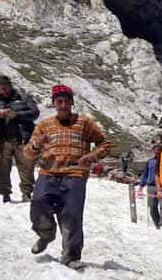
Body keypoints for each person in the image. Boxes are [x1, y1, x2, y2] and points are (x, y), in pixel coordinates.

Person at [23, 85, 110, 269]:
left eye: (66, 101)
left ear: (71, 102)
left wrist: (92, 155)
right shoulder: (44, 125)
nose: (63, 105)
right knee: (38, 203)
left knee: (71, 214)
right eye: (59, 101)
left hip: (75, 174)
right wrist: (37, 145)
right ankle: (46, 234)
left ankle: (71, 256)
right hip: (48, 173)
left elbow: (105, 143)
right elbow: (28, 154)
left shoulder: (84, 123)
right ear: (54, 103)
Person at [0, 75, 39, 203]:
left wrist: (16, 115)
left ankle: (27, 192)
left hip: (21, 139)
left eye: (5, 88)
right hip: (0, 140)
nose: (2, 91)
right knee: (1, 167)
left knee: (26, 166)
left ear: (10, 86)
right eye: (0, 89)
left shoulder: (24, 98)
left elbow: (35, 113)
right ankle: (5, 193)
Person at [139, 139, 162, 229]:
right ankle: (157, 224)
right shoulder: (150, 162)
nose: (157, 150)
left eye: (159, 149)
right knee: (152, 207)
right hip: (151, 186)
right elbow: (145, 174)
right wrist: (141, 186)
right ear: (153, 150)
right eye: (156, 149)